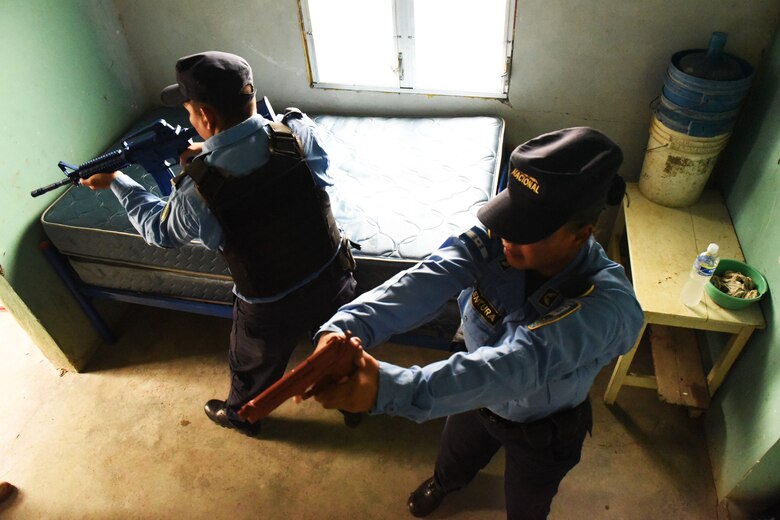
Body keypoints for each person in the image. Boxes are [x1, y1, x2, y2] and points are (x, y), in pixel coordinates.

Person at [307, 127, 645, 519]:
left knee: (528, 501)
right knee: (454, 455)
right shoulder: (496, 239)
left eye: (527, 229)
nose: (507, 235)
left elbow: (521, 362)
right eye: (509, 215)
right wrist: (346, 327)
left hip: (541, 427)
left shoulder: (608, 305)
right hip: (472, 394)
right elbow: (429, 277)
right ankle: (445, 483)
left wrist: (388, 389)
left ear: (580, 234)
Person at [82, 51, 357, 436]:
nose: (190, 121)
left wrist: (117, 182)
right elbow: (312, 168)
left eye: (190, 112)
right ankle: (356, 408)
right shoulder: (297, 133)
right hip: (332, 275)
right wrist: (215, 149)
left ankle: (243, 416)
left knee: (251, 369)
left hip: (269, 304)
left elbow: (161, 233)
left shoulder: (198, 189)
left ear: (206, 118)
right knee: (343, 349)